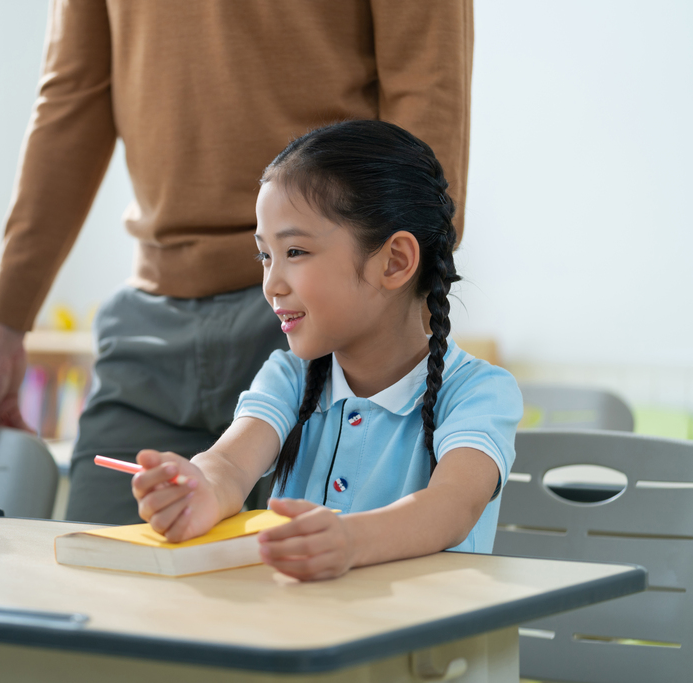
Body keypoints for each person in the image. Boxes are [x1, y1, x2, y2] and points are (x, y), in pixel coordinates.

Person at [0, 1, 474, 524]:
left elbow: (428, 84)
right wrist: (4, 325)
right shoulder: (279, 375)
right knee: (101, 582)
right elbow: (72, 98)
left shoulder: (474, 393)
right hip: (152, 328)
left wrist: (399, 301)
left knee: (327, 596)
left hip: (330, 321)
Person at [131, 121, 522, 581]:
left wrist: (350, 540)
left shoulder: (479, 393)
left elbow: (450, 507)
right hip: (309, 639)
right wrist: (201, 488)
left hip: (427, 650)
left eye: (294, 251)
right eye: (264, 256)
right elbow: (231, 463)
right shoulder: (290, 376)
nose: (271, 284)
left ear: (394, 261)